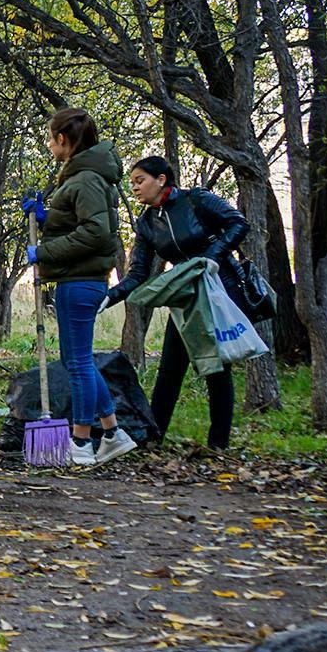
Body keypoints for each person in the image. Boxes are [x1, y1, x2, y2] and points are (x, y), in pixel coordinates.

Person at [103, 155, 248, 449]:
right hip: (185, 297)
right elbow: (138, 275)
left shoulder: (196, 200)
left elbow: (238, 223)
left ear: (161, 179)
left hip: (220, 290)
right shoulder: (146, 223)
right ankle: (153, 440)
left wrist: (212, 256)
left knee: (217, 370)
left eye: (140, 181)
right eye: (132, 183)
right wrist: (108, 296)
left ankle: (218, 446)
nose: (135, 188)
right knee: (170, 367)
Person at [26, 107, 135, 467]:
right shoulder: (82, 176)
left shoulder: (86, 178)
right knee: (79, 361)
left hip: (81, 281)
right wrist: (46, 217)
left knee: (78, 363)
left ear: (62, 139)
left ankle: (81, 442)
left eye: (49, 138)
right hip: (78, 278)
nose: (48, 145)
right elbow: (77, 222)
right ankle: (113, 434)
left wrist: (42, 251)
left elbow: (94, 233)